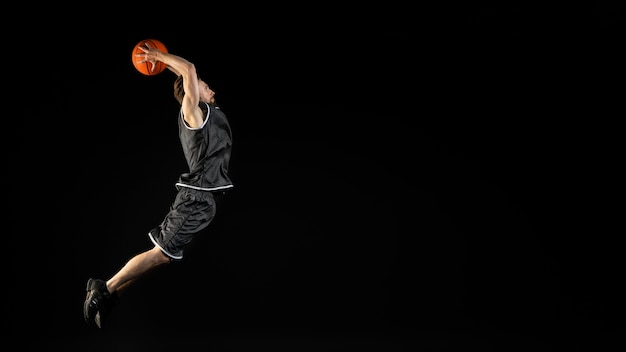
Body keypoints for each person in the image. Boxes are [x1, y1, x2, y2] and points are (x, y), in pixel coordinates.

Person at [83, 42, 234, 328]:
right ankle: (104, 288)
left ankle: (111, 295)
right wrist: (157, 58)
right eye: (203, 85)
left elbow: (188, 73)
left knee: (164, 256)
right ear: (191, 93)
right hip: (196, 199)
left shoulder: (209, 114)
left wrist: (167, 65)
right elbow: (188, 70)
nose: (209, 88)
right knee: (161, 255)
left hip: (206, 202)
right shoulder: (194, 114)